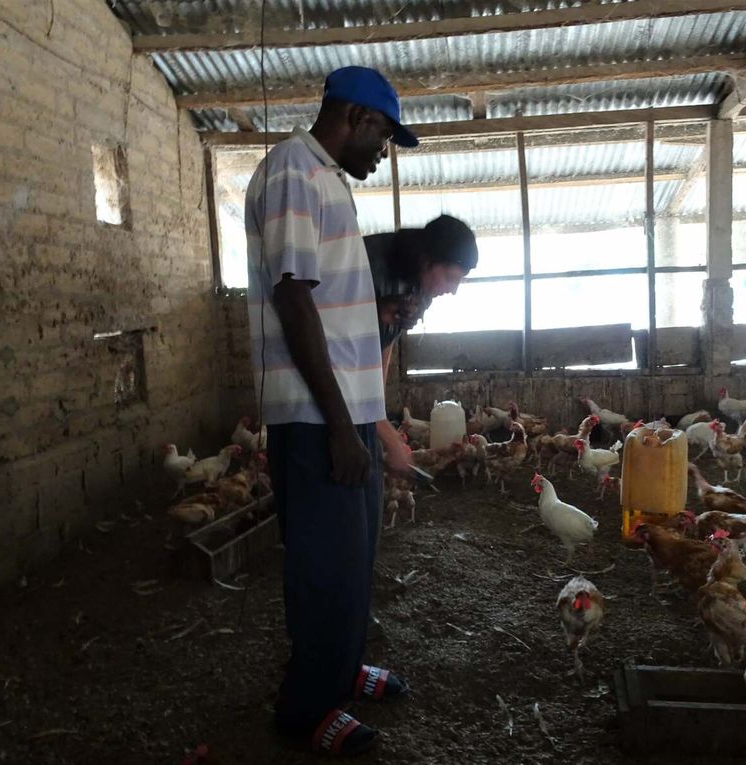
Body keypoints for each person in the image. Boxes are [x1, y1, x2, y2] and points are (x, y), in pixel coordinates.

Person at [244, 66, 415, 757]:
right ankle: (306, 708)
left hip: (343, 414)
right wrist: (342, 428)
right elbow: (292, 297)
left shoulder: (327, 179)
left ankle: (343, 671)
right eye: (383, 137)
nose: (385, 152)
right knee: (323, 564)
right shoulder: (293, 169)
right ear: (353, 116)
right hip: (318, 418)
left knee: (353, 556)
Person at [364, 214, 479, 372]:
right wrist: (376, 313)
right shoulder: (365, 263)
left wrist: (379, 394)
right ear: (426, 260)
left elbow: (385, 341)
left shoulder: (422, 288)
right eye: (450, 277)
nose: (453, 290)